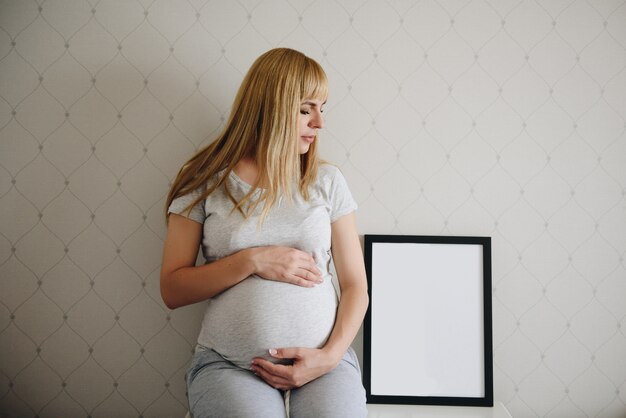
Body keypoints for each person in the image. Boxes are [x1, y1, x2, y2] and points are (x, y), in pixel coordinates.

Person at [160, 48, 369, 418]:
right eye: (306, 109)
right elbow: (172, 289)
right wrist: (251, 260)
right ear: (271, 107)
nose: (319, 122)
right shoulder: (205, 179)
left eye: (322, 108)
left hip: (324, 365)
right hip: (230, 364)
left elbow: (356, 287)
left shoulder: (327, 181)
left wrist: (328, 357)